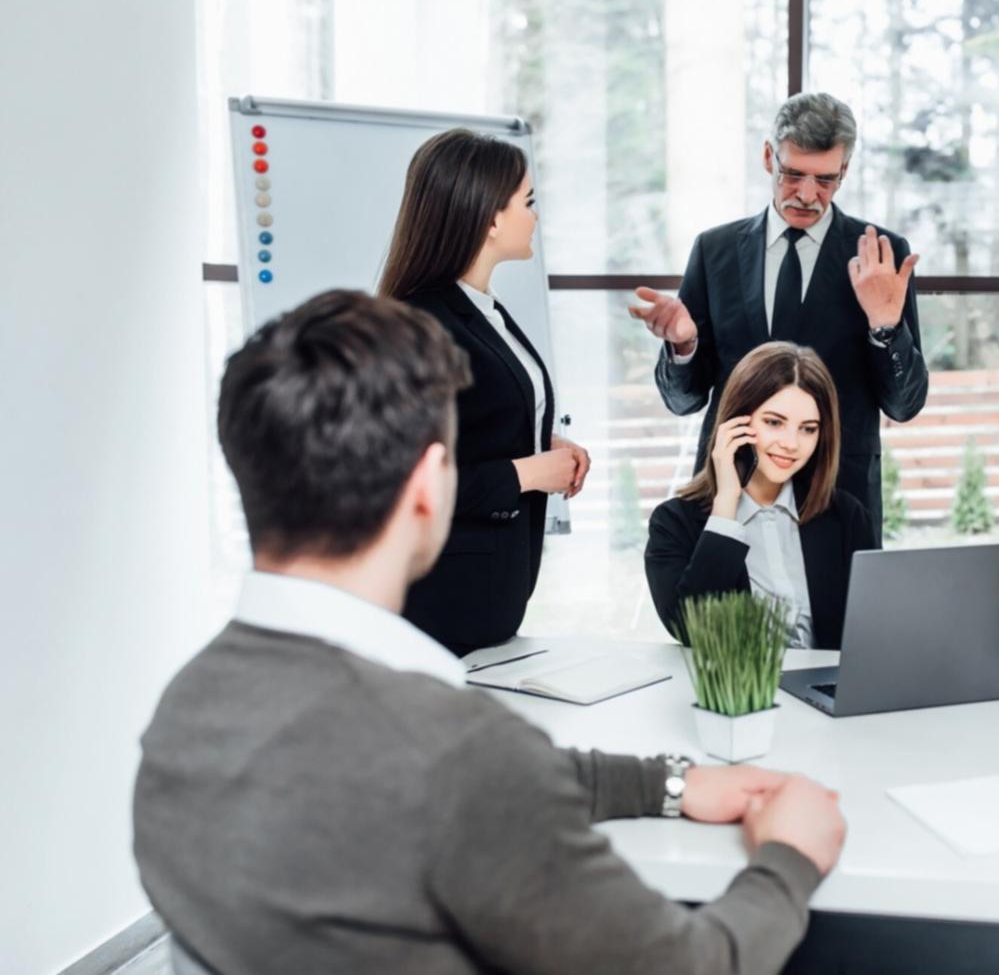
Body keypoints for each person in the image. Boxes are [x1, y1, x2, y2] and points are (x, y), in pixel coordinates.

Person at [133, 290, 847, 974]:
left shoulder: (185, 707)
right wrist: (788, 858)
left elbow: (461, 777)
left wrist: (671, 783)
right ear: (428, 486)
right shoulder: (456, 749)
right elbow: (696, 964)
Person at [628, 92, 927, 543]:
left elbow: (904, 406)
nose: (808, 195)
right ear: (769, 156)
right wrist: (684, 348)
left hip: (837, 499)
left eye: (826, 180)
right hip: (731, 494)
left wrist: (885, 327)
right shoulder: (715, 251)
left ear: (845, 171)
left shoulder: (882, 255)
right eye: (793, 174)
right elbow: (683, 401)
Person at [378, 128, 589, 657]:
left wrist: (545, 443)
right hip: (442, 605)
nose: (536, 216)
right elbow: (403, 484)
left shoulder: (482, 309)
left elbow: (479, 425)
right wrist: (530, 473)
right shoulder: (420, 323)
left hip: (491, 597)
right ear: (491, 217)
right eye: (528, 202)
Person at [645, 342, 875, 649]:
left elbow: (874, 626)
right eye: (774, 422)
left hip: (826, 691)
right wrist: (726, 502)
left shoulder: (846, 515)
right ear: (738, 421)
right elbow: (690, 629)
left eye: (808, 428)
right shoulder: (673, 522)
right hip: (735, 695)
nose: (791, 443)